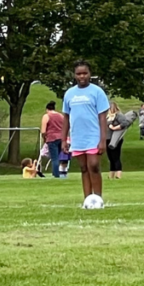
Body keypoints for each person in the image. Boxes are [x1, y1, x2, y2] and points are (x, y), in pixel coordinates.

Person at [62, 60, 109, 206]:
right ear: (74, 75)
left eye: (85, 73)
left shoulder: (97, 92)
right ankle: (87, 200)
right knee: (83, 168)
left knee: (93, 165)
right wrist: (63, 139)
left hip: (93, 136)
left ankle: (98, 199)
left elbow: (102, 117)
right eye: (78, 74)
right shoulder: (69, 94)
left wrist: (103, 139)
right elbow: (66, 117)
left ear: (90, 74)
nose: (82, 76)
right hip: (78, 137)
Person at [40, 101, 65, 178]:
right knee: (58, 157)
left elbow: (43, 131)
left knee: (54, 158)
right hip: (61, 138)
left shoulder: (46, 116)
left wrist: (44, 138)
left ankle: (56, 174)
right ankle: (58, 173)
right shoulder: (61, 116)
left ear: (47, 109)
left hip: (52, 138)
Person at [106, 101, 125, 180]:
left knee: (116, 156)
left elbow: (124, 123)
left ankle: (118, 174)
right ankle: (111, 174)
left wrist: (114, 127)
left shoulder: (118, 115)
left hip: (115, 139)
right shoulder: (107, 116)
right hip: (107, 138)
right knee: (110, 157)